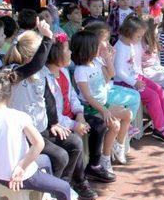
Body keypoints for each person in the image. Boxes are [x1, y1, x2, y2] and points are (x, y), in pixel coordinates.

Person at [0, 71, 95, 200]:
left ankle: (49, 198)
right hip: (21, 176)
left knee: (45, 160)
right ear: (9, 94)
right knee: (64, 187)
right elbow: (39, 144)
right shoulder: (19, 116)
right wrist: (21, 167)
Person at [3, 23, 94, 200]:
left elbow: (48, 100)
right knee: (60, 156)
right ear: (33, 56)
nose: (46, 57)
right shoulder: (13, 74)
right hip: (24, 136)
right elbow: (34, 66)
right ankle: (52, 192)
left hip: (42, 128)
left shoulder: (40, 74)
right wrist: (46, 37)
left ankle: (63, 186)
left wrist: (54, 123)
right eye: (43, 52)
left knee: (74, 143)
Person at [46, 34, 114, 183]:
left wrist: (80, 114)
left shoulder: (63, 71)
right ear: (56, 54)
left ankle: (94, 166)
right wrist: (75, 125)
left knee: (99, 126)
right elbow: (53, 113)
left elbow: (72, 97)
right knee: (74, 141)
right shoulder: (47, 79)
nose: (71, 52)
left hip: (72, 116)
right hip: (58, 122)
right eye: (67, 50)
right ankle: (78, 181)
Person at [72, 29, 136, 169]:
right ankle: (105, 158)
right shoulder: (80, 70)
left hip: (103, 104)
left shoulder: (96, 63)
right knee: (115, 125)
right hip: (91, 107)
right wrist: (103, 110)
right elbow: (88, 97)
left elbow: (110, 75)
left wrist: (107, 59)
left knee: (128, 114)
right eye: (95, 46)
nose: (99, 48)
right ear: (87, 49)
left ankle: (118, 146)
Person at [114, 16, 164, 142]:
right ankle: (160, 128)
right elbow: (119, 71)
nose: (140, 39)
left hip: (135, 77)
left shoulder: (131, 43)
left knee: (159, 90)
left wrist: (140, 77)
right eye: (139, 36)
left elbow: (135, 63)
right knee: (152, 96)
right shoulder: (119, 47)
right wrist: (134, 82)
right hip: (125, 82)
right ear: (129, 33)